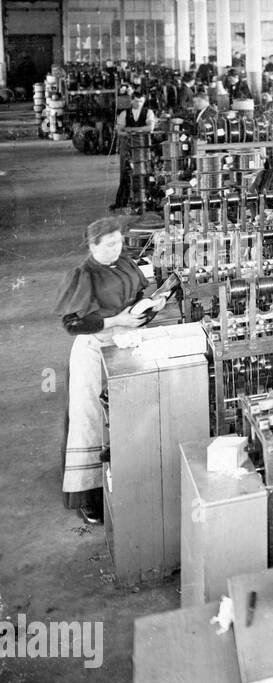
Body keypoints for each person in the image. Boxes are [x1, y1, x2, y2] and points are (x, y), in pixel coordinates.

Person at [55, 218, 153, 524]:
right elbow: (72, 323)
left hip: (124, 343)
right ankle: (90, 495)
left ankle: (124, 483)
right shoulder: (83, 274)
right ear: (93, 245)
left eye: (119, 242)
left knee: (127, 414)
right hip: (94, 349)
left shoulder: (124, 264)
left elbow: (138, 292)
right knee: (91, 420)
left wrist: (149, 304)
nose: (117, 248)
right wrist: (117, 321)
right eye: (109, 244)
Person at [113, 91, 156, 210]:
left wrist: (131, 129)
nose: (139, 103)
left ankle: (146, 199)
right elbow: (120, 131)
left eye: (141, 101)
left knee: (146, 171)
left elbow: (150, 128)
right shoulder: (124, 113)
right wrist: (140, 130)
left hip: (143, 148)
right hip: (127, 147)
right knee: (126, 172)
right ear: (131, 100)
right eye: (136, 101)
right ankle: (125, 200)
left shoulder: (149, 112)